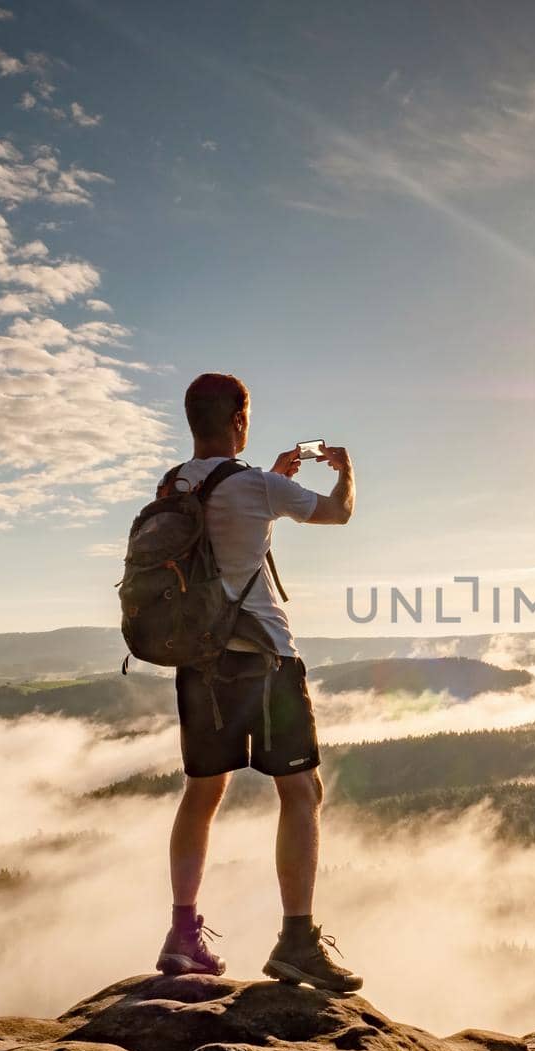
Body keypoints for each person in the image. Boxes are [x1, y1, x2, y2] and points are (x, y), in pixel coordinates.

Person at [153, 372, 362, 992]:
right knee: (302, 792)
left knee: (201, 794)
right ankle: (297, 941)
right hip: (265, 659)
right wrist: (346, 471)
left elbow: (225, 522)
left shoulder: (172, 485)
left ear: (193, 421)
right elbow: (338, 514)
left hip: (198, 662)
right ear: (240, 419)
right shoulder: (256, 486)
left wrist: (269, 481)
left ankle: (182, 936)